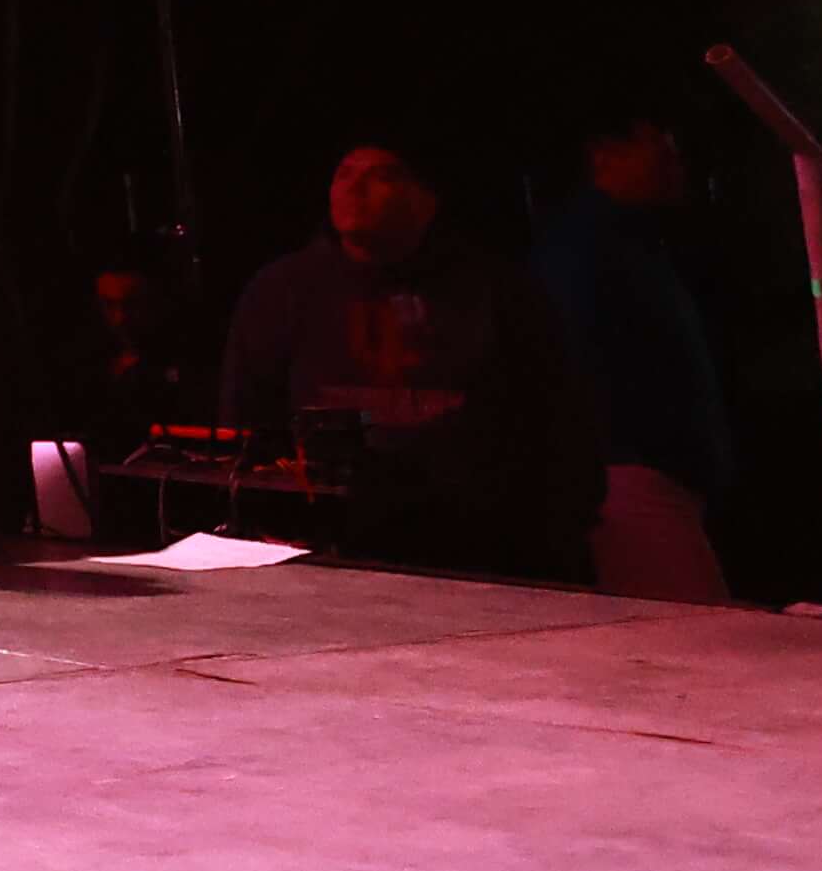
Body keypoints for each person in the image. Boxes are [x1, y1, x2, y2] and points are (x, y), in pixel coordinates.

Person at [218, 142, 604, 583]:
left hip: (475, 545)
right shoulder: (284, 290)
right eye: (345, 174)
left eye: (381, 175)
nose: (354, 189)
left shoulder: (496, 291)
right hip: (329, 543)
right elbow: (244, 420)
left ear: (428, 199)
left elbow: (557, 416)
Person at [525, 116, 732, 600]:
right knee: (692, 632)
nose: (675, 164)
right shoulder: (586, 250)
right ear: (604, 153)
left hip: (649, 476)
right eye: (659, 148)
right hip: (631, 480)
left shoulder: (627, 244)